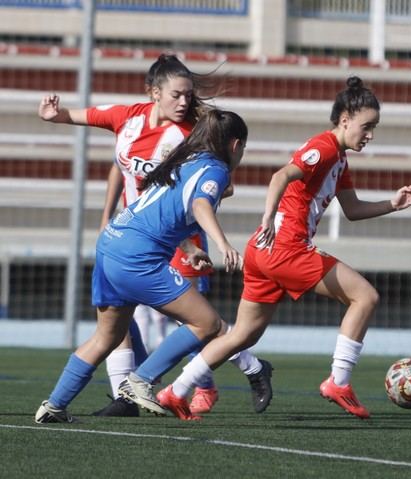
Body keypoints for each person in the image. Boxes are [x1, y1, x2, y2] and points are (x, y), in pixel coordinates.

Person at [121, 75, 411, 421]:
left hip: (263, 254)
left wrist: (392, 204)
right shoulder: (323, 147)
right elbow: (280, 176)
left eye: (374, 128)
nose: (370, 135)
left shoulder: (338, 159)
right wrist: (267, 218)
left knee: (243, 335)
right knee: (365, 297)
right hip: (286, 248)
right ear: (345, 120)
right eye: (367, 126)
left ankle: (175, 391)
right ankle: (339, 381)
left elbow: (352, 210)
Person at [37, 54, 271, 418]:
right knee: (205, 322)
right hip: (141, 251)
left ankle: (53, 406)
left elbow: (174, 204)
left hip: (118, 240)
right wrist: (222, 243)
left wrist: (190, 244)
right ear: (153, 92)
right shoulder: (142, 127)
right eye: (177, 95)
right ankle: (142, 382)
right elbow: (197, 204)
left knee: (108, 337)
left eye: (188, 97)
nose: (184, 102)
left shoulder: (189, 141)